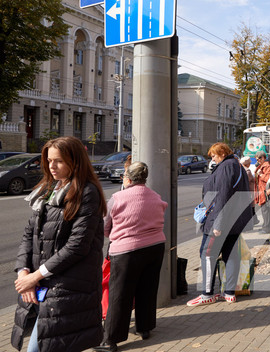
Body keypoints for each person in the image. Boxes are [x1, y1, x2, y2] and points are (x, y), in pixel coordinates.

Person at [13, 136, 106, 352]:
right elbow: (30, 234)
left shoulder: (87, 192)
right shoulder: (49, 188)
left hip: (68, 288)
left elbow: (77, 245)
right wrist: (23, 273)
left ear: (76, 161)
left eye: (59, 161)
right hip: (44, 284)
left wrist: (35, 277)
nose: (51, 166)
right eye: (48, 160)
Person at [97, 162, 167, 352]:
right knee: (147, 288)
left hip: (126, 251)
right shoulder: (155, 196)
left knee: (120, 294)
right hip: (155, 247)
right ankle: (145, 328)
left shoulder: (117, 198)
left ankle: (110, 340)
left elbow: (104, 226)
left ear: (127, 178)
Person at [187, 143, 253, 307]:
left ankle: (207, 293)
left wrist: (218, 224)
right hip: (236, 221)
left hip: (221, 221)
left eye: (214, 155)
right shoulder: (237, 165)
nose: (213, 158)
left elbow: (222, 197)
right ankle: (229, 293)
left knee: (207, 254)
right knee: (231, 255)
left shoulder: (225, 167)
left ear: (223, 153)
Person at [253, 151, 270, 233]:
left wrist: (261, 174)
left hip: (265, 191)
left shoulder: (267, 166)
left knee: (265, 210)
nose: (258, 161)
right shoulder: (261, 166)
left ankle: (267, 228)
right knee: (264, 210)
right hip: (260, 190)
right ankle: (265, 225)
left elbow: (268, 179)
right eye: (257, 159)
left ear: (263, 157)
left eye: (259, 159)